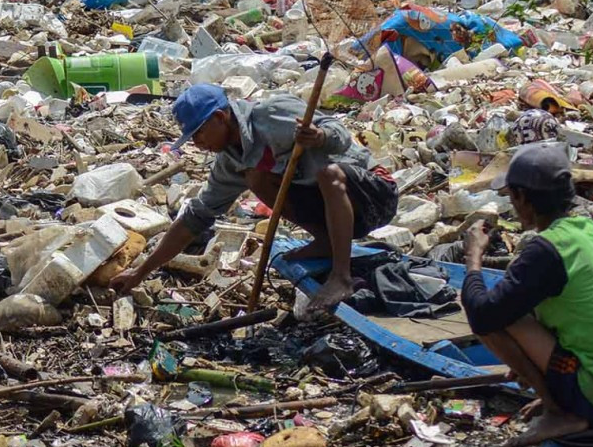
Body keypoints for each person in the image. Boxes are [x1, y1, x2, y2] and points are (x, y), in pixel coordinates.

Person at [109, 84, 399, 310]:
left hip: (374, 195)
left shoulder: (272, 114)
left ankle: (341, 276)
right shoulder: (231, 162)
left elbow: (341, 134)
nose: (197, 144)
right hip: (338, 215)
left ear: (220, 118)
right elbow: (195, 219)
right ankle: (326, 241)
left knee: (327, 173)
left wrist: (320, 137)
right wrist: (140, 272)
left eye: (198, 134)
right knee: (256, 177)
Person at [460, 143, 593, 447]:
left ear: (523, 197)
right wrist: (527, 365)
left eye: (511, 196)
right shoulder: (592, 230)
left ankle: (558, 410)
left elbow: (482, 313)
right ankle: (560, 395)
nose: (511, 203)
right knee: (516, 308)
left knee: (494, 319)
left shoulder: (545, 250)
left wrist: (474, 257)